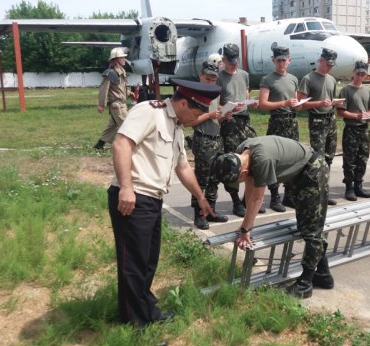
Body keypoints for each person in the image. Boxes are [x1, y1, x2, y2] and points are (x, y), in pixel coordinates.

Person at [108, 79, 218, 329]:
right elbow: (122, 143)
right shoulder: (149, 111)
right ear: (181, 103)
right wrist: (126, 187)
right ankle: (135, 325)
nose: (197, 118)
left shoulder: (177, 127)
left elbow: (183, 167)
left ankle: (147, 310)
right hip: (132, 197)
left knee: (147, 261)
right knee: (133, 265)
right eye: (196, 112)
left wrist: (201, 198)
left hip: (152, 200)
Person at [212, 135, 332, 299]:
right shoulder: (242, 152)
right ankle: (323, 275)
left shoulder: (262, 160)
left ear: (243, 171)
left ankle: (305, 284)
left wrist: (246, 228)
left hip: (313, 171)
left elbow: (257, 198)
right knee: (307, 225)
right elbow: (249, 191)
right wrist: (246, 225)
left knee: (312, 230)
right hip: (298, 175)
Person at [217, 43, 264, 217]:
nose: (233, 64)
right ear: (223, 60)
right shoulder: (219, 77)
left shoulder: (244, 75)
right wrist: (226, 109)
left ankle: (247, 200)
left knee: (252, 158)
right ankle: (236, 201)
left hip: (245, 121)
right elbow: (215, 104)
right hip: (229, 123)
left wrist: (250, 102)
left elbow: (244, 94)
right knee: (232, 162)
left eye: (235, 60)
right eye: (230, 61)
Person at [258, 46, 301, 213]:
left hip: (292, 122)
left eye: (284, 60)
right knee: (275, 160)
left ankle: (288, 195)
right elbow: (262, 105)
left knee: (292, 159)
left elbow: (295, 101)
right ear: (273, 61)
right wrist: (284, 103)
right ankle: (274, 197)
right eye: (278, 60)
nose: (281, 63)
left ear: (289, 61)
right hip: (277, 122)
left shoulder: (293, 79)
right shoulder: (268, 79)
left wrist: (297, 105)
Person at [187, 61, 229, 230]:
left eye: (213, 79)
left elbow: (215, 116)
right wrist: (210, 115)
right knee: (201, 179)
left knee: (215, 178)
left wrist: (224, 115)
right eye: (208, 78)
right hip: (203, 139)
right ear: (200, 76)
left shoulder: (215, 93)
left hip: (216, 138)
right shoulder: (193, 94)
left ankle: (211, 210)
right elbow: (190, 121)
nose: (211, 82)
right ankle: (199, 213)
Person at [298, 48, 340, 206]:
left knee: (329, 158)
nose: (329, 67)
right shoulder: (308, 79)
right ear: (320, 61)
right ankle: (315, 191)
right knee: (318, 159)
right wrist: (319, 103)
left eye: (332, 65)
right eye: (327, 64)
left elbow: (331, 99)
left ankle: (324, 190)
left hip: (331, 120)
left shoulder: (332, 79)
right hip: (317, 122)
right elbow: (300, 104)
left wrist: (335, 103)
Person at [337, 61, 370, 201]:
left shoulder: (367, 91)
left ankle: (358, 186)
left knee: (362, 159)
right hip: (352, 129)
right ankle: (349, 187)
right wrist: (356, 116)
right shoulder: (346, 90)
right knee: (350, 160)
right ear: (353, 72)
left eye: (363, 74)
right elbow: (341, 111)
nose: (360, 76)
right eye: (358, 73)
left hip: (364, 129)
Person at [94, 47, 129, 150]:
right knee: (127, 125)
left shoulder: (122, 72)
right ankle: (127, 147)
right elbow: (103, 90)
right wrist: (101, 104)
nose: (124, 59)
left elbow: (121, 89)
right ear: (116, 59)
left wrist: (131, 93)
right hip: (117, 106)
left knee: (112, 127)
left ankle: (99, 146)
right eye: (122, 57)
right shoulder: (110, 73)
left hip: (121, 104)